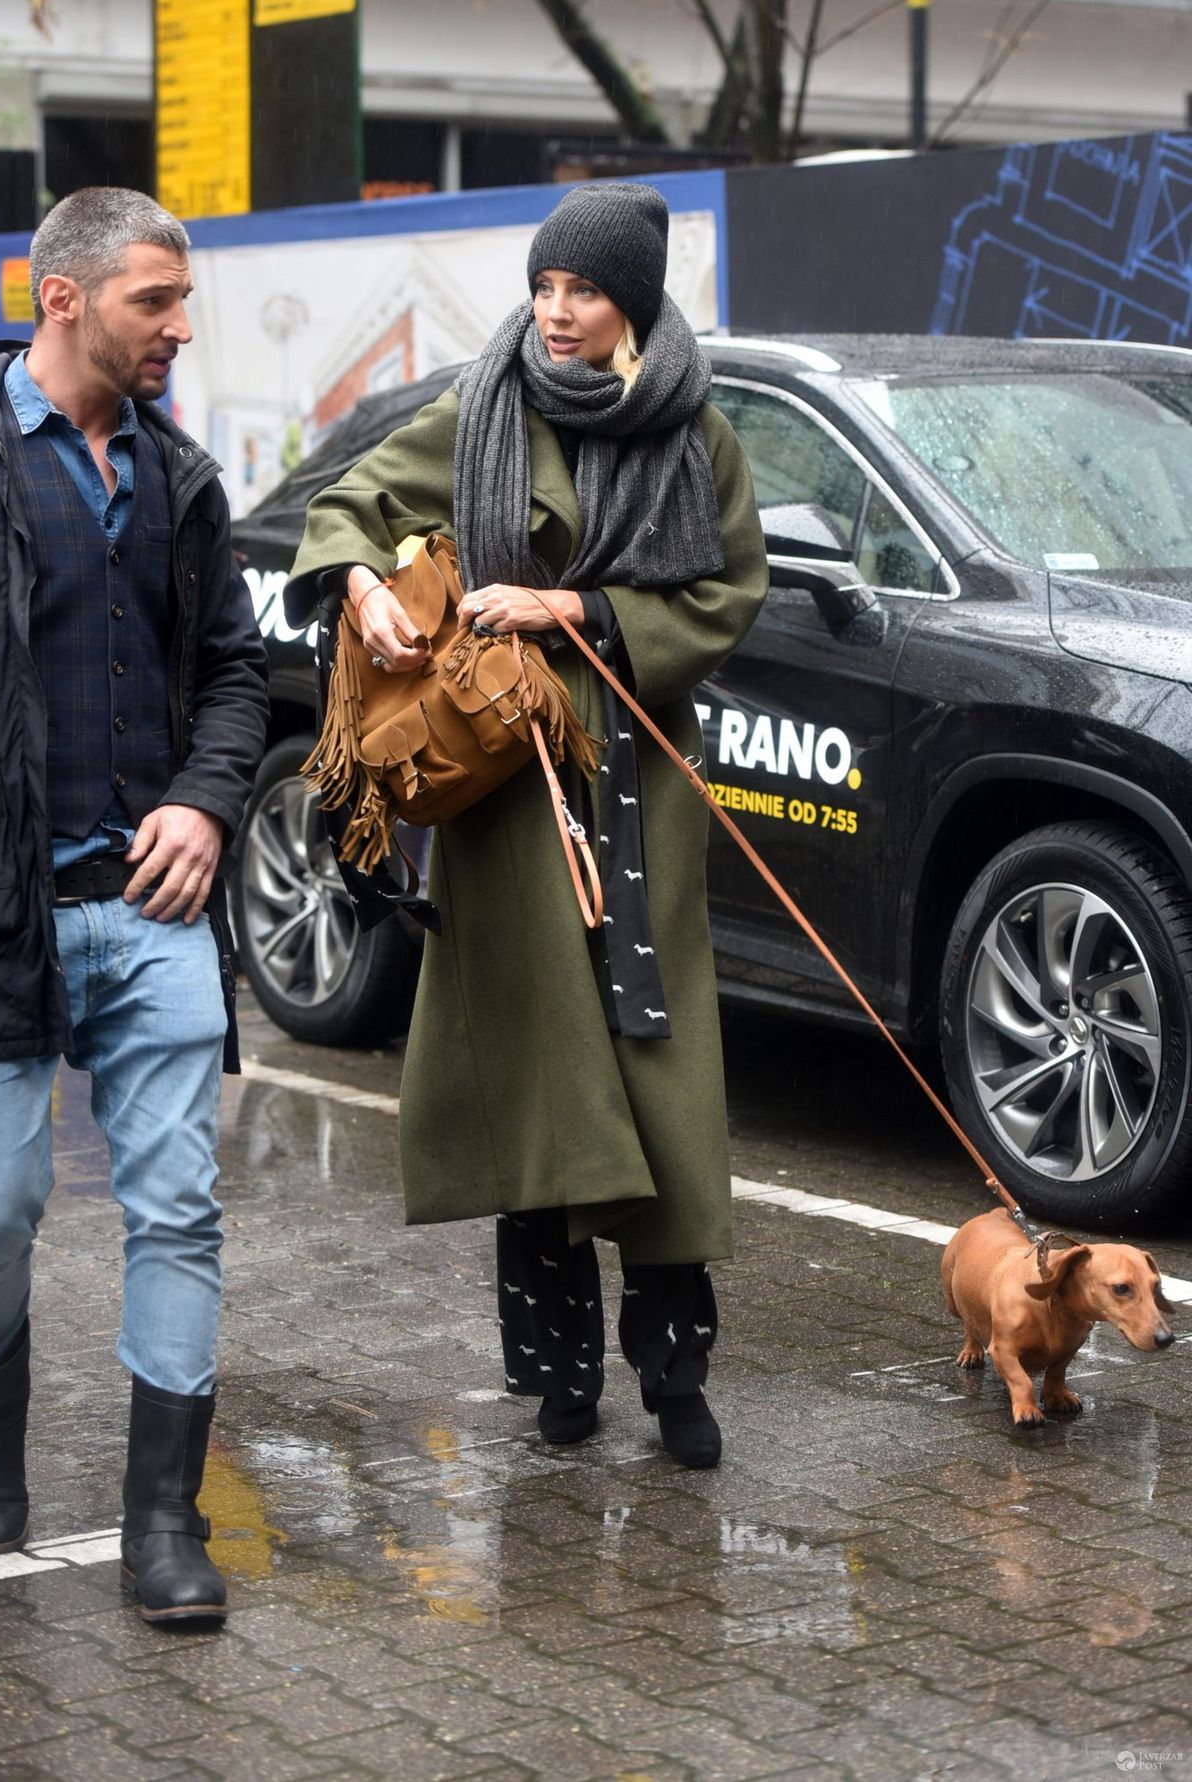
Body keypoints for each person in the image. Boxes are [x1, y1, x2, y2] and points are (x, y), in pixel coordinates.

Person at [286, 181, 767, 1468]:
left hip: (639, 789)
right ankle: (558, 1383)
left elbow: (729, 594)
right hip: (509, 799)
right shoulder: (481, 404)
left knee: (660, 1085)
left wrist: (584, 613)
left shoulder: (694, 434)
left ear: (633, 304)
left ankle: (676, 1380)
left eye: (583, 292)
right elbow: (345, 505)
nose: (554, 313)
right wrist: (360, 585)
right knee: (541, 1082)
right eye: (543, 287)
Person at [0, 188, 269, 1621]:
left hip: (157, 905)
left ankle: (162, 1522)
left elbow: (238, 676)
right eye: (152, 301)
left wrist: (207, 799)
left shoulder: (183, 482)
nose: (180, 326)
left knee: (178, 1208)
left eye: (185, 302)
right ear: (65, 298)